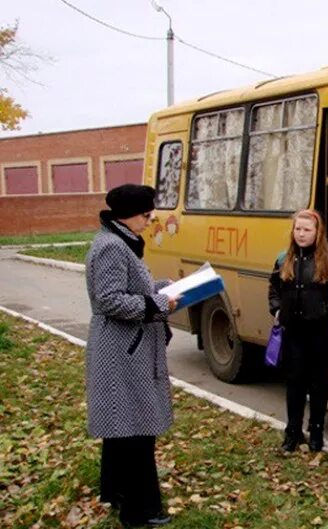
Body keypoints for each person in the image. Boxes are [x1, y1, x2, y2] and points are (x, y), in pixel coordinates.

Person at [84, 184, 179, 527]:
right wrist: (154, 303)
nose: (151, 219)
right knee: (136, 428)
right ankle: (140, 510)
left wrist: (159, 288)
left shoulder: (117, 240)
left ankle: (117, 491)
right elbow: (108, 299)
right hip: (123, 351)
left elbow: (127, 289)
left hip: (125, 347)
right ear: (129, 215)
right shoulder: (112, 246)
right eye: (146, 213)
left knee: (122, 427)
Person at [268, 209, 328, 453]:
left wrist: (326, 312)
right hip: (293, 331)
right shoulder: (284, 259)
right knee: (294, 382)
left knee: (318, 382)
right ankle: (293, 431)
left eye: (306, 230)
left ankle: (317, 431)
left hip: (319, 332)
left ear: (317, 232)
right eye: (297, 229)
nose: (301, 234)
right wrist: (277, 309)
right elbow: (274, 289)